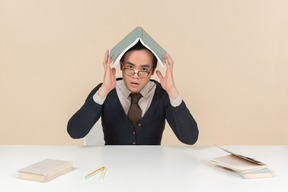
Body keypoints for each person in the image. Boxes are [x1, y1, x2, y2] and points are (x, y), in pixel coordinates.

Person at [67, 42, 198, 145]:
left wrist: (172, 92)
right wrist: (104, 90)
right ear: (121, 66)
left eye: (144, 69)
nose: (135, 76)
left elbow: (190, 138)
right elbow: (75, 132)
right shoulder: (105, 91)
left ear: (152, 71)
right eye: (130, 67)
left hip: (152, 169)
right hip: (113, 167)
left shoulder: (162, 94)